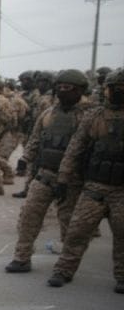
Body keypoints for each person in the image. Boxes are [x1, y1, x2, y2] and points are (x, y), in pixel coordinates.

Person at [5, 70, 94, 273]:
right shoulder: (48, 114)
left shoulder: (88, 115)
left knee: (70, 225)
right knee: (28, 216)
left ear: (80, 90)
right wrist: (25, 159)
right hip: (44, 174)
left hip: (73, 179)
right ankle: (22, 258)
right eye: (60, 87)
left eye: (68, 88)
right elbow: (36, 138)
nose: (63, 91)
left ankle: (65, 267)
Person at [47, 69, 124, 292]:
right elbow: (75, 148)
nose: (117, 92)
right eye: (114, 88)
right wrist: (63, 177)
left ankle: (121, 276)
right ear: (106, 90)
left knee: (122, 236)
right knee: (76, 231)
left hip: (120, 190)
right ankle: (63, 270)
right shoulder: (95, 116)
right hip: (94, 187)